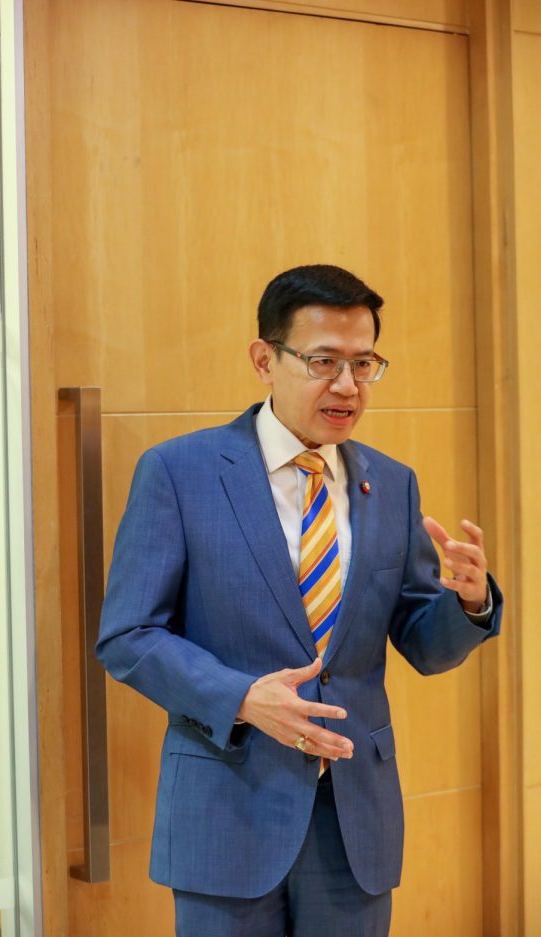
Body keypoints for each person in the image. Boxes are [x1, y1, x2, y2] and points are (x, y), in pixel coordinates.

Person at [96, 264, 502, 937]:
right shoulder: (180, 472)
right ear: (265, 360)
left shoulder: (391, 483)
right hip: (228, 808)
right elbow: (128, 636)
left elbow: (424, 644)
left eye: (364, 364)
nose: (347, 385)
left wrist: (469, 603)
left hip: (353, 820)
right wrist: (242, 697)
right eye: (323, 361)